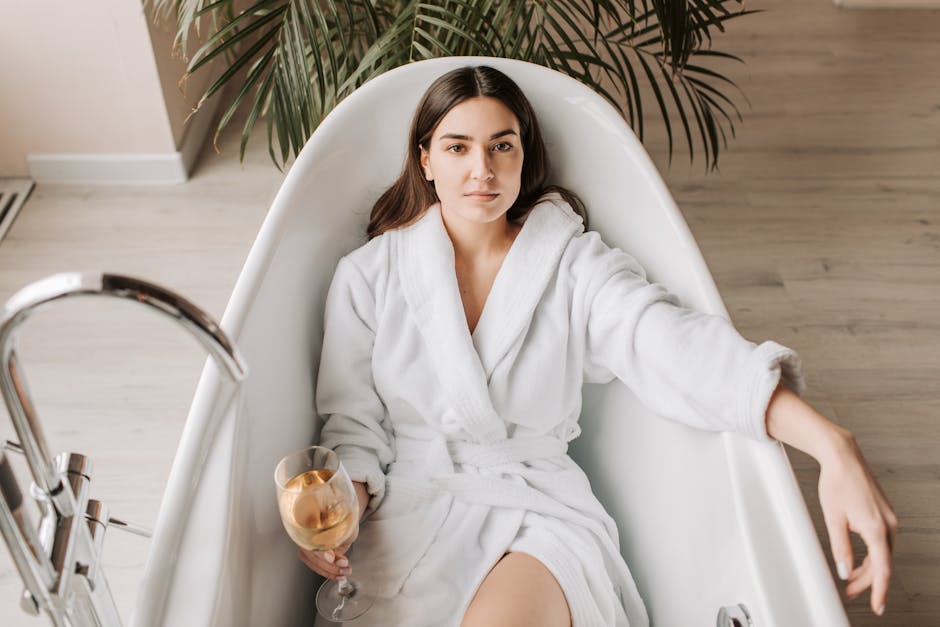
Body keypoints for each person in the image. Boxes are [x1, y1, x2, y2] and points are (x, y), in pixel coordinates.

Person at [299, 65, 897, 626]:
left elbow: (673, 346)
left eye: (501, 146)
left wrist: (830, 444)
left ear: (523, 155)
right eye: (458, 147)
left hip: (534, 512)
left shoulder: (571, 264)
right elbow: (353, 427)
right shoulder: (368, 276)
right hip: (409, 518)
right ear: (425, 159)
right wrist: (342, 512)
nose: (481, 170)